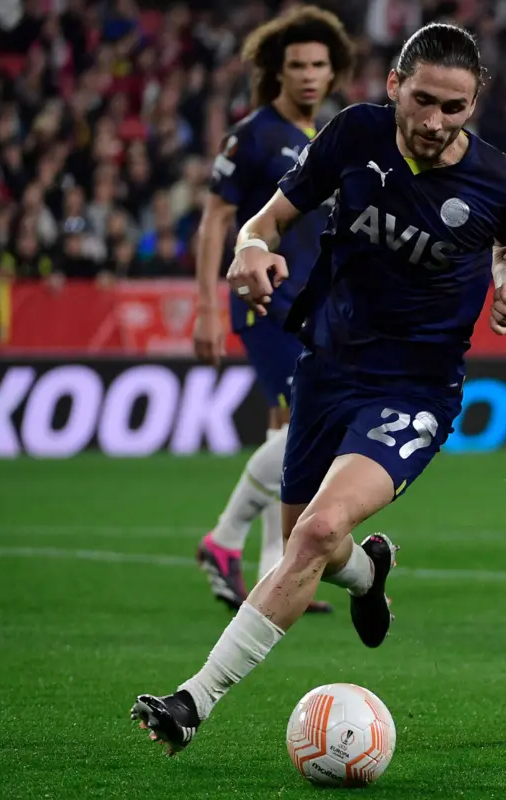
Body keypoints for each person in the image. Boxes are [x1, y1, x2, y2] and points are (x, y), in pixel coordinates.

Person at [132, 22, 506, 755]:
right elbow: (268, 218)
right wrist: (251, 251)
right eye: (423, 101)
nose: (435, 123)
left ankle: (194, 699)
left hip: (416, 387)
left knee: (315, 532)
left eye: (454, 108)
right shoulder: (353, 136)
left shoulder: (502, 182)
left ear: (474, 106)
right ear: (393, 87)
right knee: (306, 542)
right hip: (327, 364)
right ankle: (370, 570)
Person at [192, 5, 354, 614]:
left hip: (314, 305)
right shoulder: (254, 134)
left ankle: (273, 571)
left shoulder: (332, 134)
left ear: (333, 70)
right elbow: (215, 221)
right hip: (264, 302)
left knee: (286, 432)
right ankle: (223, 539)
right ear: (276, 71)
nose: (309, 75)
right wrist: (207, 307)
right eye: (297, 66)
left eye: (319, 64)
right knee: (300, 435)